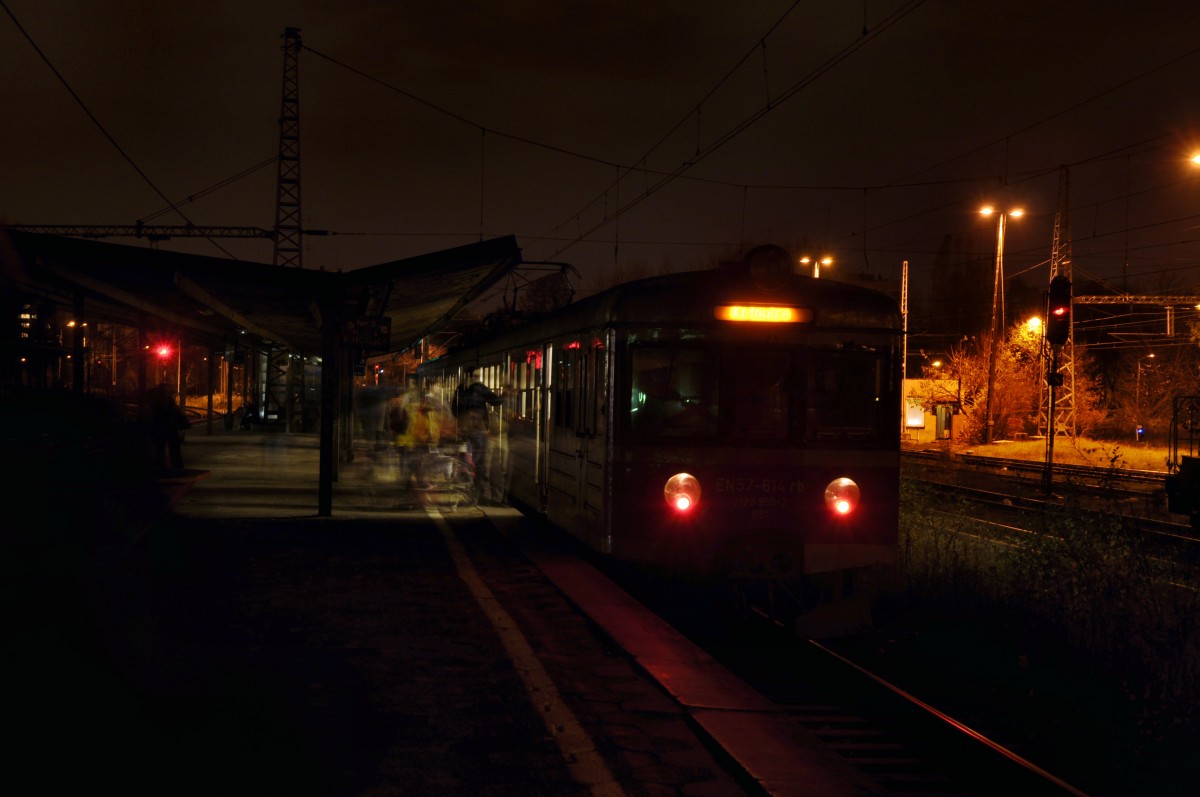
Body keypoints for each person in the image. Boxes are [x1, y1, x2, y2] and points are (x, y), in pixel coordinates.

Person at [453, 367, 503, 502]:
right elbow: (496, 401)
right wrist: (506, 394)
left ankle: (468, 489)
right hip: (478, 430)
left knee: (467, 459)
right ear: (476, 376)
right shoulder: (479, 388)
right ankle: (479, 493)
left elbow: (454, 409)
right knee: (479, 462)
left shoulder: (460, 389)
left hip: (464, 430)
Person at [143, 382, 189, 469]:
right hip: (169, 427)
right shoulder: (169, 400)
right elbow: (175, 411)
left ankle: (161, 466)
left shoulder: (156, 401)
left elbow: (152, 413)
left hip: (160, 427)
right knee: (174, 449)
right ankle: (177, 467)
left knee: (160, 449)